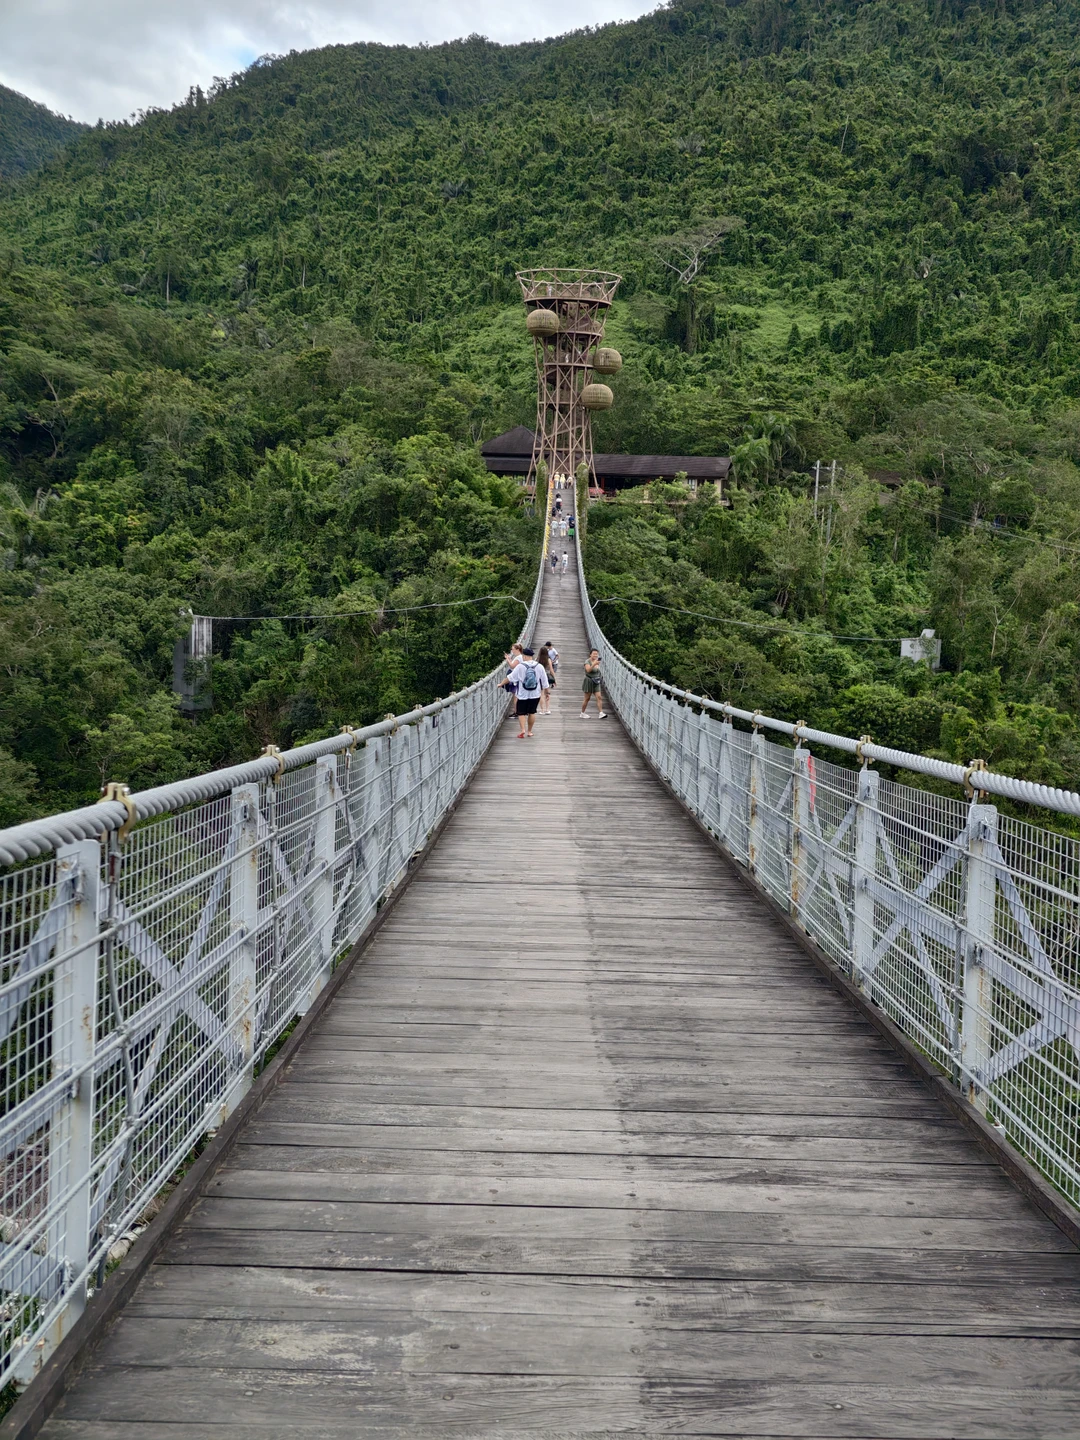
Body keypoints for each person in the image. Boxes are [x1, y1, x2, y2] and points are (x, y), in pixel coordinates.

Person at [507, 647, 548, 737]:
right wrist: (546, 693)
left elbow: (511, 677)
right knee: (532, 712)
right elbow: (545, 682)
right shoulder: (539, 666)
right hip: (535, 694)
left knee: (521, 713)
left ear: (524, 656)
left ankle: (523, 730)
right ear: (532, 656)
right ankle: (530, 731)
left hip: (522, 694)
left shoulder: (520, 666)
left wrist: (500, 684)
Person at [580, 649, 606, 718]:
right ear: (590, 654)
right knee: (587, 698)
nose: (595, 655)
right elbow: (588, 670)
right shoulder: (587, 662)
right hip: (589, 681)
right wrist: (594, 664)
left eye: (596, 654)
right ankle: (582, 713)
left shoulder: (597, 661)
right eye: (594, 654)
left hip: (596, 681)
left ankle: (601, 713)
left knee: (599, 697)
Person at [537, 645, 556, 713]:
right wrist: (554, 679)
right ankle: (547, 709)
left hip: (539, 677)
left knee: (541, 694)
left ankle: (542, 710)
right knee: (547, 693)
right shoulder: (548, 660)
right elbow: (551, 670)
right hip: (547, 677)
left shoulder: (537, 659)